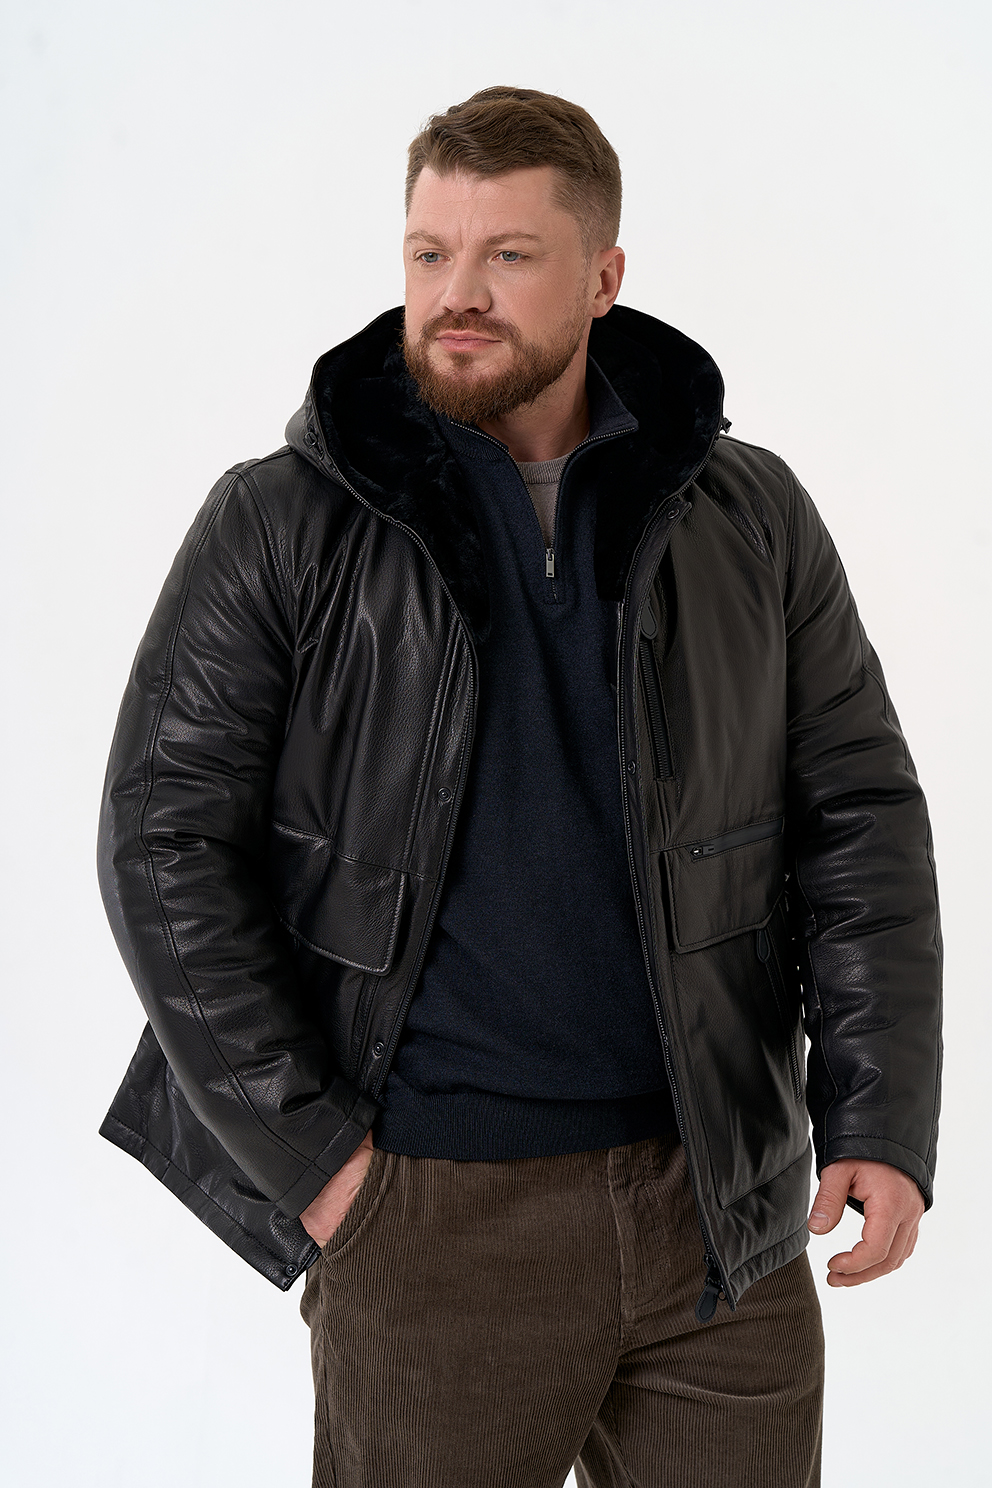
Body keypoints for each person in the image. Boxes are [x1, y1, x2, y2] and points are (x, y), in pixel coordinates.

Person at [98, 86, 942, 1488]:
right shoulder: (285, 519)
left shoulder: (749, 516)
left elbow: (857, 813)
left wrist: (881, 1114)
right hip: (428, 1214)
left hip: (718, 1216)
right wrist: (320, 1164)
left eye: (508, 255)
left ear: (604, 277)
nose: (458, 294)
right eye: (430, 253)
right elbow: (161, 838)